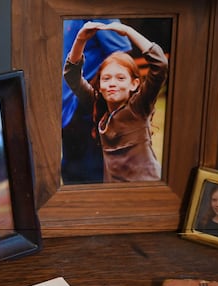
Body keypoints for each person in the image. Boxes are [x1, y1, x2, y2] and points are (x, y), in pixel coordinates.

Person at [63, 21, 168, 182]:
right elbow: (72, 75)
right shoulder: (97, 104)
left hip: (145, 187)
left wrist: (128, 31)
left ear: (134, 83)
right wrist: (81, 40)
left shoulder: (139, 106)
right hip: (114, 190)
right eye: (106, 78)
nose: (112, 83)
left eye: (120, 78)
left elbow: (159, 65)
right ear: (99, 84)